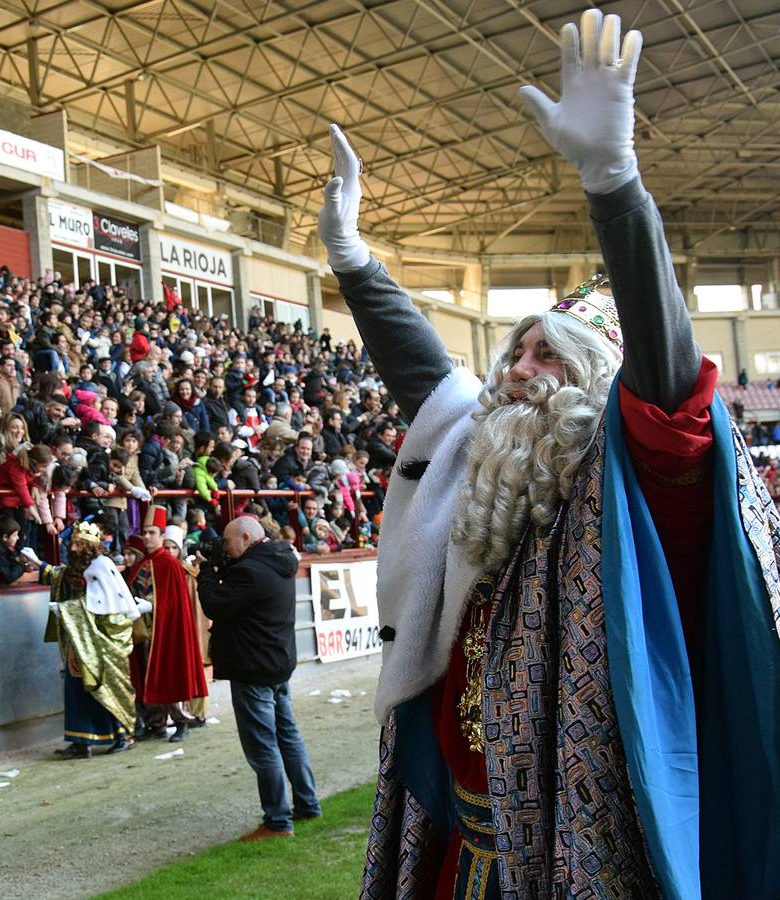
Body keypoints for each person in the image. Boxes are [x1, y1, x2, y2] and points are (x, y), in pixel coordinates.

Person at [321, 12, 780, 897]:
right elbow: (434, 384)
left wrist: (615, 190)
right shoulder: (482, 461)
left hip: (580, 855)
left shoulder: (632, 477)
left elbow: (672, 393)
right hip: (465, 841)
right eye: (516, 353)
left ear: (601, 384)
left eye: (550, 357)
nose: (520, 373)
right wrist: (355, 263)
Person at [196, 515, 320, 841]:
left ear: (247, 539)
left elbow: (215, 605)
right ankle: (307, 803)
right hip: (276, 663)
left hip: (253, 668)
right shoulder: (276, 560)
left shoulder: (250, 571)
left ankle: (278, 822)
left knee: (263, 746)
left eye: (228, 542)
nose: (224, 547)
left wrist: (206, 573)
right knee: (287, 737)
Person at [39, 521, 143, 759]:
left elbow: (105, 606)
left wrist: (66, 609)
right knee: (76, 687)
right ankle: (80, 739)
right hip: (81, 639)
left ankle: (122, 735)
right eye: (72, 543)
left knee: (105, 686)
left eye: (78, 544)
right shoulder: (79, 567)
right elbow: (63, 575)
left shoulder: (101, 566)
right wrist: (41, 566)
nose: (73, 548)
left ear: (90, 547)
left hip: (101, 640)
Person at [125, 506, 207, 742]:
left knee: (171, 673)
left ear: (162, 535)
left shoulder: (170, 565)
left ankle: (182, 721)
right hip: (144, 633)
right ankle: (156, 723)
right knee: (146, 677)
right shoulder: (140, 565)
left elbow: (175, 604)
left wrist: (152, 606)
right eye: (145, 533)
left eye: (152, 533)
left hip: (166, 631)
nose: (147, 537)